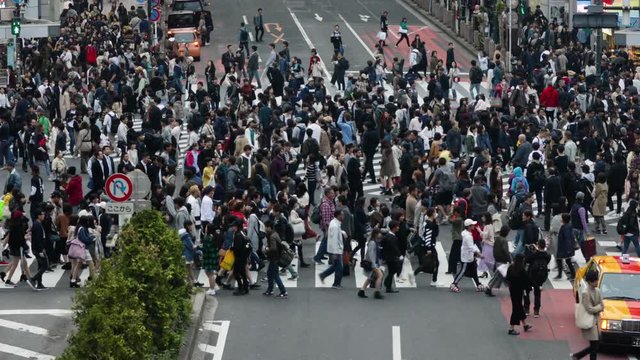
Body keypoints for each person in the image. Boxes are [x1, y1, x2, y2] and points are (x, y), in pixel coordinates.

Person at [570, 271, 604, 360]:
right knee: (595, 345)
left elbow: (602, 305)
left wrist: (599, 307)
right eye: (595, 280)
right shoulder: (585, 293)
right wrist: (599, 307)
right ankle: (578, 356)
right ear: (590, 282)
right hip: (590, 321)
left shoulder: (598, 290)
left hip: (597, 321)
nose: (597, 282)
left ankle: (578, 355)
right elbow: (589, 309)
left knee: (595, 345)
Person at [450, 219, 484, 293]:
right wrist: (479, 254)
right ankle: (454, 284)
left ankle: (478, 284)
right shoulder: (468, 236)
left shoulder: (466, 233)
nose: (474, 226)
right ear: (469, 226)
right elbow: (471, 247)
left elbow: (471, 246)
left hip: (468, 255)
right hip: (467, 257)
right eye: (472, 225)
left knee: (474, 270)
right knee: (463, 271)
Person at [506, 253, 533, 335]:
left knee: (518, 307)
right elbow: (527, 281)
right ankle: (511, 328)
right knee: (516, 309)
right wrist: (530, 288)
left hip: (512, 290)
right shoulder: (522, 270)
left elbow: (507, 278)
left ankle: (525, 325)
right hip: (519, 291)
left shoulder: (511, 267)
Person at [524, 239, 551, 317]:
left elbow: (527, 260)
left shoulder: (534, 255)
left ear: (538, 245)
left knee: (526, 291)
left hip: (531, 275)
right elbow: (547, 261)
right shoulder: (547, 255)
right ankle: (536, 311)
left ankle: (526, 309)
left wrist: (532, 251)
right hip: (540, 277)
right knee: (537, 293)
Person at [318, 209, 344, 289]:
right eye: (342, 215)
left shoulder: (335, 223)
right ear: (338, 215)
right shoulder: (335, 226)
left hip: (335, 250)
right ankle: (336, 284)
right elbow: (334, 240)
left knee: (336, 266)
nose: (343, 216)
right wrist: (335, 253)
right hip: (335, 250)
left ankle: (323, 275)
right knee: (339, 267)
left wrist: (342, 232)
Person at [263, 220, 288, 298]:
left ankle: (283, 291)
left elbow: (273, 248)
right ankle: (270, 290)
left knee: (275, 275)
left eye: (266, 227)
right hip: (275, 257)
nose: (265, 229)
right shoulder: (275, 233)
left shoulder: (272, 236)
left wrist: (267, 249)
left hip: (274, 258)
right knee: (270, 274)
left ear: (269, 227)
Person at [357, 228, 384, 299]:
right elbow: (371, 254)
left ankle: (362, 291)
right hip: (372, 263)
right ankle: (377, 292)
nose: (380, 234)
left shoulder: (375, 242)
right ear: (375, 234)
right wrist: (374, 265)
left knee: (370, 278)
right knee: (380, 276)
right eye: (379, 233)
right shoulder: (372, 243)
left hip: (374, 263)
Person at [485, 225, 511, 297]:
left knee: (501, 275)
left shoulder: (497, 239)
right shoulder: (504, 240)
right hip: (502, 260)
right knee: (499, 276)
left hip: (497, 259)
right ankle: (489, 288)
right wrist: (510, 260)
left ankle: (512, 288)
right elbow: (506, 251)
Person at [554, 213, 576, 280]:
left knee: (560, 259)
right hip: (566, 246)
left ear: (563, 219)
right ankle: (572, 274)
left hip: (564, 247)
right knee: (567, 260)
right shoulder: (569, 225)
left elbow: (567, 238)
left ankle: (561, 275)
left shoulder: (564, 227)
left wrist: (568, 248)